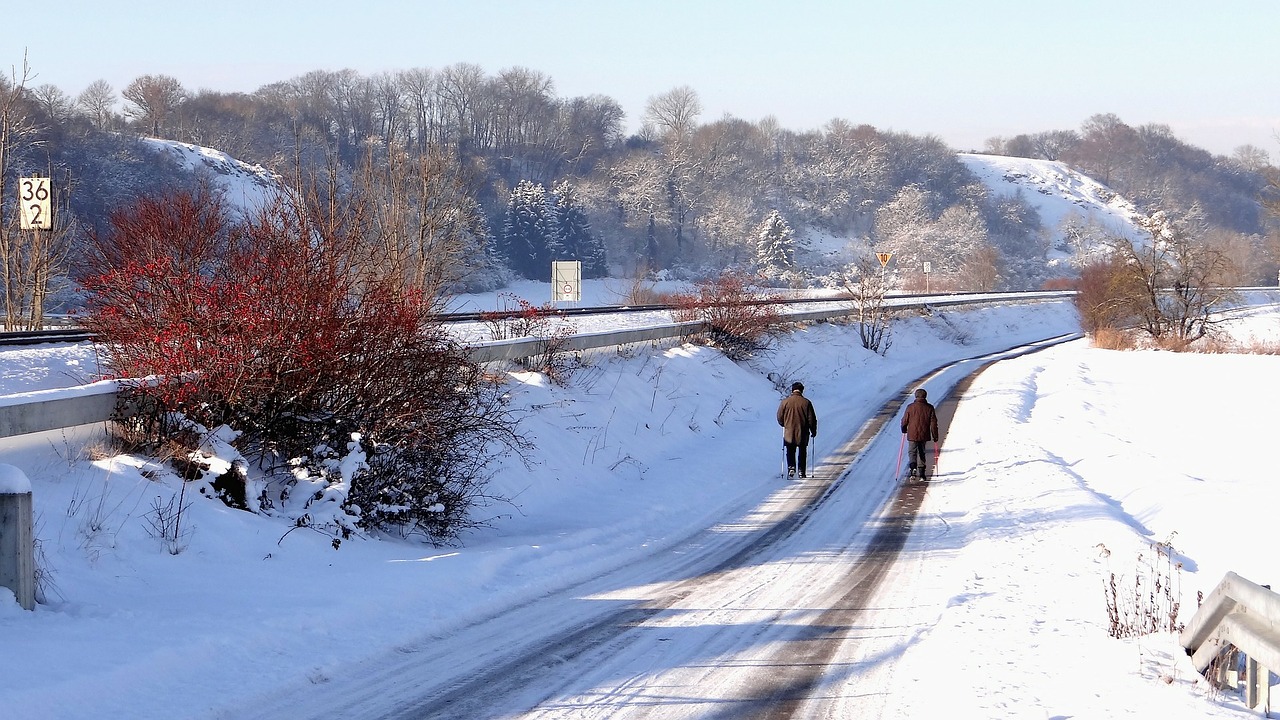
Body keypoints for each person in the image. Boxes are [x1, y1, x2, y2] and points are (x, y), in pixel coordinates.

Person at [777, 381, 818, 478]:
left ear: (792, 390)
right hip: (802, 432)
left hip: (789, 432)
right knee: (802, 452)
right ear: (802, 391)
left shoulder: (785, 402)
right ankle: (801, 471)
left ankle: (791, 468)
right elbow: (811, 419)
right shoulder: (806, 402)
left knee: (790, 451)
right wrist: (813, 431)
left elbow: (779, 417)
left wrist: (784, 424)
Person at [900, 388, 939, 480]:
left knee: (912, 452)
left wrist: (904, 429)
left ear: (916, 396)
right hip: (924, 434)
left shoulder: (910, 407)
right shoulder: (929, 407)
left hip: (912, 434)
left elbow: (904, 420)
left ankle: (913, 469)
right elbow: (933, 423)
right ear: (925, 396)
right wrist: (935, 436)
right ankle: (922, 473)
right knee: (922, 452)